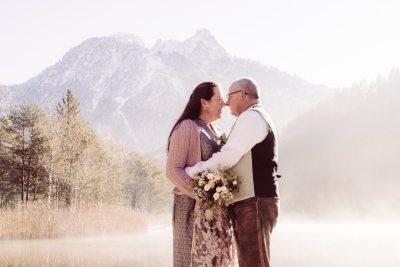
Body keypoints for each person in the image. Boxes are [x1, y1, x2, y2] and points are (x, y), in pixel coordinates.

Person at [185, 77, 280, 267]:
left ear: (242, 94)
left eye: (229, 97)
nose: (226, 103)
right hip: (253, 201)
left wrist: (193, 171)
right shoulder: (255, 117)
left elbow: (228, 156)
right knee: (249, 261)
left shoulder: (251, 117)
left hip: (254, 202)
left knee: (255, 263)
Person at [166, 81, 236, 267]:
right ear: (204, 102)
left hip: (216, 212)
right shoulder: (186, 127)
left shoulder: (219, 132)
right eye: (219, 99)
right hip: (190, 208)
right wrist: (204, 195)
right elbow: (173, 170)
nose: (224, 104)